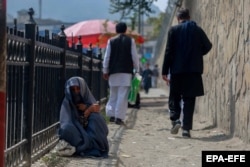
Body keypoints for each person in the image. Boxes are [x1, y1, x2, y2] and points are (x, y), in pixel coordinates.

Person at [161, 8, 212, 138]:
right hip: (193, 71)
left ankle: (175, 119)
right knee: (189, 99)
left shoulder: (173, 30)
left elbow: (168, 52)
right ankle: (186, 129)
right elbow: (208, 45)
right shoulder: (197, 30)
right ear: (189, 17)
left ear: (178, 19)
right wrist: (197, 54)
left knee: (175, 97)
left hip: (177, 70)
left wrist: (164, 71)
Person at [57, 76, 109, 157]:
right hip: (78, 133)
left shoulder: (89, 100)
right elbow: (67, 123)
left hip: (90, 132)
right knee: (66, 129)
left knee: (96, 118)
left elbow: (101, 124)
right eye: (73, 90)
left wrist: (88, 109)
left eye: (78, 89)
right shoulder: (67, 103)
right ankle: (84, 147)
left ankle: (94, 146)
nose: (76, 92)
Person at [102, 22, 140, 125]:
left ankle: (111, 115)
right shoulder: (130, 41)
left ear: (116, 30)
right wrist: (137, 69)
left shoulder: (111, 41)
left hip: (113, 72)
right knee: (122, 96)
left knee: (113, 94)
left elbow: (107, 57)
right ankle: (119, 117)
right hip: (126, 72)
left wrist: (105, 70)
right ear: (125, 29)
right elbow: (135, 57)